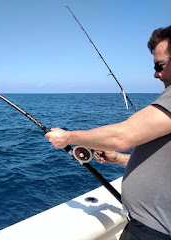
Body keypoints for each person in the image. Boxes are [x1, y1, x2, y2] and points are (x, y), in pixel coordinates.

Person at [45, 25, 171, 239]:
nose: (155, 74)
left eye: (160, 65)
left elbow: (123, 136)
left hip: (153, 231)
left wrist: (67, 137)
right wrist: (121, 159)